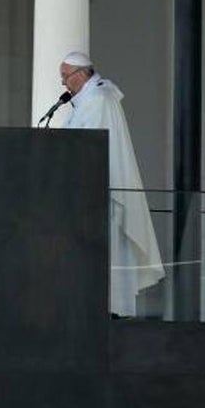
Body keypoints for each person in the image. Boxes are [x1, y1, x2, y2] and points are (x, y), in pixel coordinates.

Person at [58, 51, 165, 316]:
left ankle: (112, 308)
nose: (63, 83)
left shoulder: (100, 99)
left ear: (81, 74)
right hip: (84, 196)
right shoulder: (86, 101)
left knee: (111, 251)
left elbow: (88, 147)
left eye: (66, 76)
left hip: (102, 194)